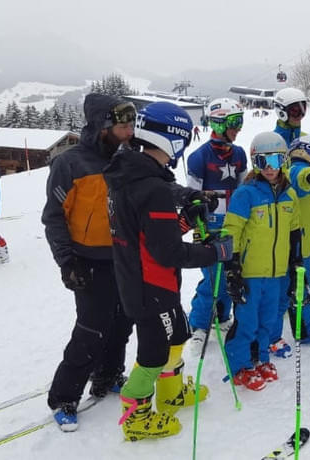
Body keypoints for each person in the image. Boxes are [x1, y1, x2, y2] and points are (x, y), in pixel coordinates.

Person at [104, 101, 233, 440]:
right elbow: (168, 252)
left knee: (177, 335)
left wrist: (186, 215)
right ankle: (136, 414)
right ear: (174, 138)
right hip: (149, 285)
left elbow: (152, 236)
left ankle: (170, 392)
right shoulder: (151, 187)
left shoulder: (132, 173)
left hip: (146, 278)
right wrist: (214, 252)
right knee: (153, 353)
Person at [41, 94, 136, 431]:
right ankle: (64, 396)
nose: (129, 133)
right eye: (122, 126)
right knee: (91, 330)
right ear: (102, 126)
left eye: (131, 126)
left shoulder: (126, 160)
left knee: (123, 322)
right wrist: (67, 262)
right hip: (88, 262)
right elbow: (54, 217)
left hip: (123, 259)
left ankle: (107, 375)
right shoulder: (71, 163)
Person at [223, 131, 302, 391]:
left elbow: (294, 232)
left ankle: (260, 359)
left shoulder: (290, 195)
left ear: (285, 162)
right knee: (247, 320)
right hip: (251, 271)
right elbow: (231, 230)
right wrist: (233, 267)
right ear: (255, 164)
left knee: (269, 320)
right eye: (262, 162)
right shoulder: (246, 194)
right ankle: (240, 365)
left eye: (276, 161)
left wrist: (296, 262)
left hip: (278, 271)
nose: (269, 168)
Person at [186, 98, 248, 357]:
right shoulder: (199, 157)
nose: (238, 128)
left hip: (235, 225)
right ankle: (199, 324)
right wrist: (197, 229)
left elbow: (245, 191)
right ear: (218, 123)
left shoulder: (240, 153)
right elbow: (191, 197)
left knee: (231, 273)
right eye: (234, 122)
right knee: (214, 279)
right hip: (210, 225)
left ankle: (221, 317)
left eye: (240, 121)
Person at [268, 135, 310, 356]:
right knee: (281, 295)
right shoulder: (294, 170)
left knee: (303, 291)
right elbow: (300, 175)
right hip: (287, 250)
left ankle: (305, 329)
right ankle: (272, 337)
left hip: (304, 249)